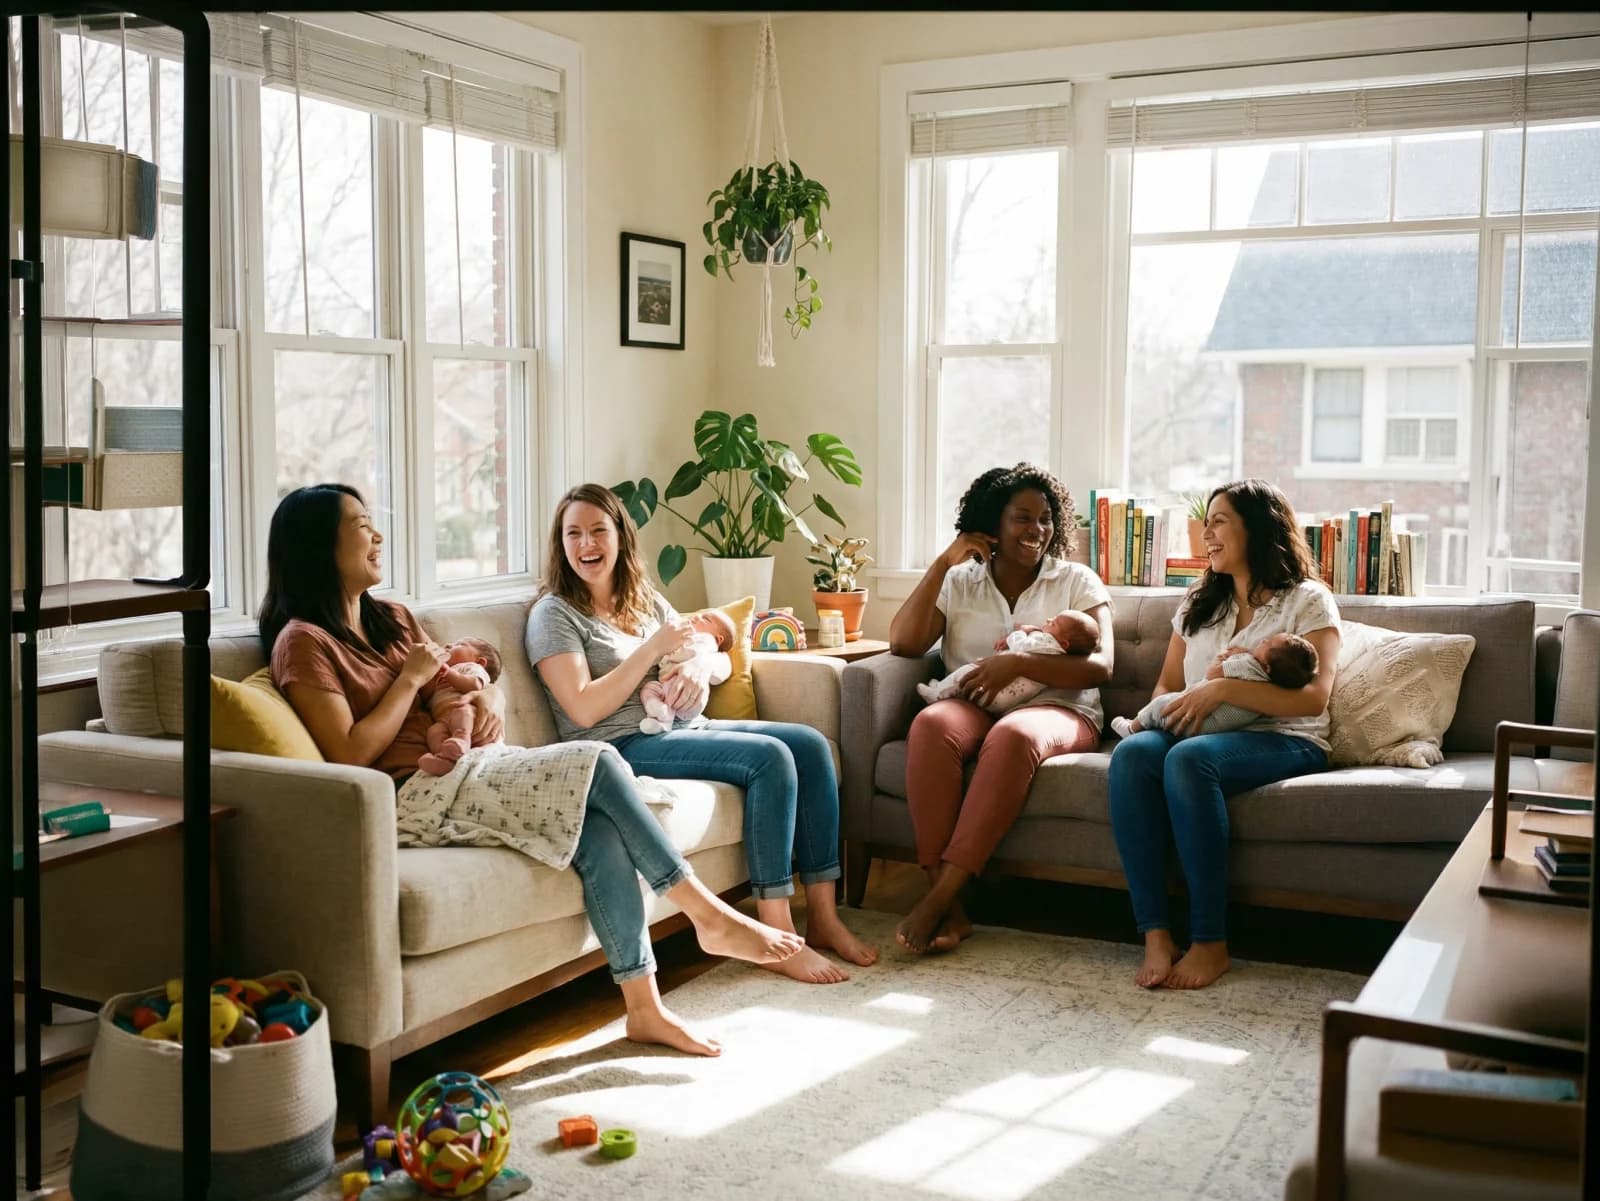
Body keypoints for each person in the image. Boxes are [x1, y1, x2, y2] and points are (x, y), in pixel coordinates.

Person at [261, 483, 804, 1058]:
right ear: (319, 545)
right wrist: (409, 680)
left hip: (468, 766)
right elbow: (348, 753)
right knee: (598, 759)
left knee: (598, 831)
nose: (377, 535)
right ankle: (707, 914)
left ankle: (644, 1010)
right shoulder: (303, 643)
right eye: (361, 524)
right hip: (411, 793)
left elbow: (448, 687)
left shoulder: (392, 618)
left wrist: (484, 697)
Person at [525, 483, 878, 985]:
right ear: (560, 543)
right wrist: (650, 651)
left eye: (598, 530)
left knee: (810, 745)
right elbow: (583, 708)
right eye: (573, 534)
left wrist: (695, 666)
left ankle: (823, 916)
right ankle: (776, 933)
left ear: (620, 536)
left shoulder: (642, 599)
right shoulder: (554, 614)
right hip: (622, 746)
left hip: (684, 725)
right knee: (771, 759)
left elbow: (700, 644)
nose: (587, 544)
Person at [1108, 479, 1340, 991]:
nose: (1206, 534)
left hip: (1287, 737)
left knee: (1190, 760)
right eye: (1206, 522)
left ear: (1255, 528)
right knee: (1132, 754)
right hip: (1196, 727)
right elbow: (1167, 684)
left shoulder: (1308, 599)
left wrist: (1223, 691)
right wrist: (1172, 712)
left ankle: (1210, 941)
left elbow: (1313, 698)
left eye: (1218, 522)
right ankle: (1155, 934)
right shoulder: (1199, 600)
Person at [887, 464, 1114, 955]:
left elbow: (1101, 666)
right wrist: (942, 563)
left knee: (1014, 735)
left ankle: (939, 899)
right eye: (1022, 518)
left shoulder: (1075, 579)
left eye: (1046, 518)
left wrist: (1018, 662)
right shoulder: (960, 581)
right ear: (991, 523)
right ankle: (949, 905)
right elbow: (904, 642)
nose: (1038, 530)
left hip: (1060, 707)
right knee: (931, 724)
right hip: (975, 705)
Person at [1109, 632, 1318, 740]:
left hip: (1194, 720)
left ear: (1267, 666)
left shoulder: (1247, 665)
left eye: (1268, 643)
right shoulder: (1268, 685)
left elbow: (1212, 674)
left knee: (1160, 705)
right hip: (1215, 728)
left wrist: (1222, 659)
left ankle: (1133, 727)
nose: (1263, 640)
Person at [918, 608, 1101, 712]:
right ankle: (946, 691)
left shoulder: (1047, 643)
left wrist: (1020, 632)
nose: (1048, 619)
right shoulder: (1061, 655)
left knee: (970, 670)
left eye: (1054, 623)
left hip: (999, 691)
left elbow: (1021, 647)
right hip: (1008, 701)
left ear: (1064, 642)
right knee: (971, 681)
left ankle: (938, 692)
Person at [639, 609, 737, 734]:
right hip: (667, 687)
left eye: (705, 618)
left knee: (667, 691)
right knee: (650, 688)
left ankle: (664, 718)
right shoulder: (688, 637)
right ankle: (659, 715)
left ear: (718, 639)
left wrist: (669, 652)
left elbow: (692, 653)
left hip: (687, 696)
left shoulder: (706, 640)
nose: (696, 616)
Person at [418, 637, 504, 775]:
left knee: (463, 711)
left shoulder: (470, 668)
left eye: (458, 644)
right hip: (444, 719)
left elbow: (474, 685)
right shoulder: (441, 676)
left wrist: (449, 673)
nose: (448, 644)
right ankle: (444, 758)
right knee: (434, 731)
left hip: (469, 711)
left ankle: (461, 739)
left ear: (480, 662)